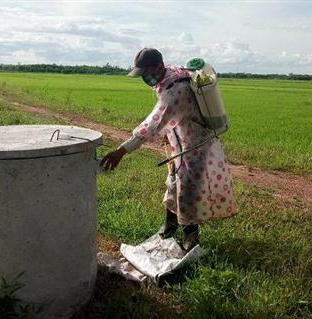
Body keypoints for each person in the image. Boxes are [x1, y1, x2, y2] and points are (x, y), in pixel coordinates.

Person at [100, 48, 236, 251]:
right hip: (181, 142)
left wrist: (121, 151)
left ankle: (191, 238)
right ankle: (170, 226)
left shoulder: (176, 91)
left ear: (159, 66)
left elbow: (151, 126)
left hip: (195, 145)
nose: (145, 78)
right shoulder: (171, 74)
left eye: (146, 72)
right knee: (172, 183)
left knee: (189, 190)